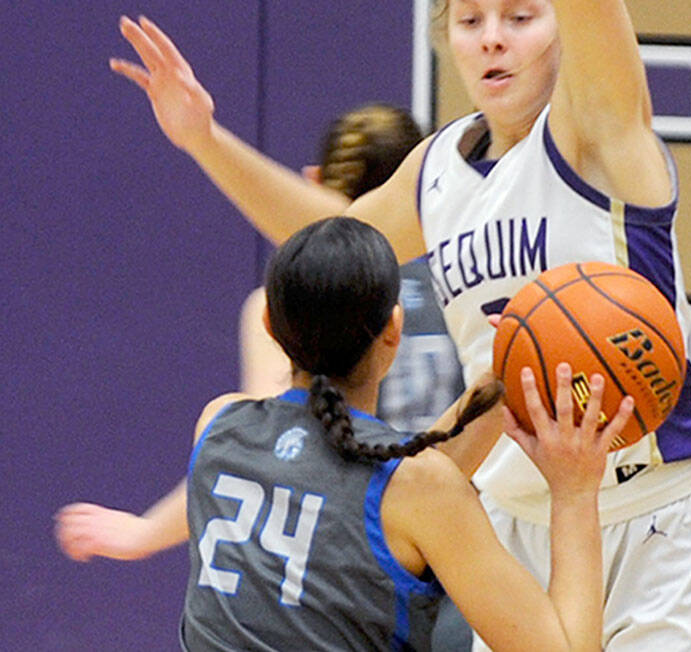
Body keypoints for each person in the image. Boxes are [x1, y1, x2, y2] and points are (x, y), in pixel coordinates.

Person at [108, 0, 691, 647]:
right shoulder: (442, 171)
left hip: (657, 521)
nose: (492, 37)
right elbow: (322, 240)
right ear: (447, 37)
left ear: (563, 28)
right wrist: (204, 140)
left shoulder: (599, 133)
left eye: (520, 17)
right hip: (517, 520)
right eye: (471, 20)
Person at [180, 215, 633, 651]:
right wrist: (575, 491)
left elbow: (388, 493)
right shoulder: (419, 491)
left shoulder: (218, 426)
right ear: (394, 330)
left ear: (270, 328)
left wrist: (503, 378)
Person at [56, 103, 463, 563]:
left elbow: (258, 457)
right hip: (462, 536)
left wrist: (146, 532)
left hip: (352, 551)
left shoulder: (284, 307)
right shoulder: (466, 277)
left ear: (310, 182)